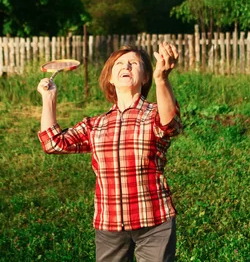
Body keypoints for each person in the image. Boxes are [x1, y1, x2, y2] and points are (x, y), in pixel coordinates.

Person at [37, 42, 183, 262]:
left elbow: (170, 125)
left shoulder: (154, 113)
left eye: (134, 63)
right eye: (120, 63)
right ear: (111, 78)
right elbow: (53, 143)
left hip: (154, 220)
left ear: (144, 77)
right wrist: (48, 99)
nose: (127, 66)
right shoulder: (95, 124)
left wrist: (162, 78)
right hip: (110, 224)